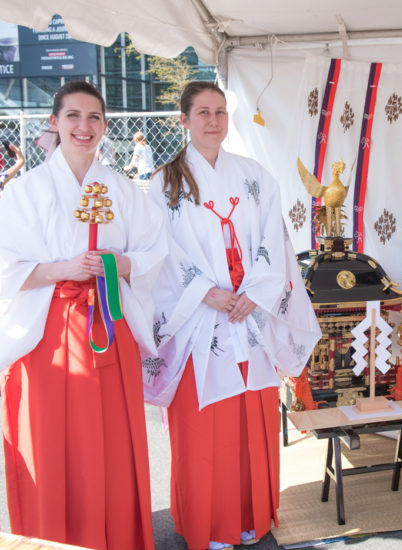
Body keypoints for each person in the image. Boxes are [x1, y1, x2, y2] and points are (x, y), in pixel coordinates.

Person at [143, 81, 320, 550]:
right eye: (202, 112)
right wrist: (205, 292)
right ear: (183, 120)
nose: (213, 121)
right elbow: (161, 252)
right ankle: (210, 523)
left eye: (220, 111)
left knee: (252, 420)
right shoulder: (163, 184)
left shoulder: (256, 176)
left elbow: (274, 240)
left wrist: (255, 293)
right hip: (198, 317)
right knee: (206, 429)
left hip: (249, 312)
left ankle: (251, 515)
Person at [0, 80, 166, 549]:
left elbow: (155, 250)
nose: (83, 126)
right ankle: (53, 539)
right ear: (54, 124)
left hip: (109, 321)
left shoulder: (123, 190)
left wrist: (117, 262)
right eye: (73, 116)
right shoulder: (24, 191)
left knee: (109, 443)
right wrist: (65, 268)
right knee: (52, 442)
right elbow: (5, 267)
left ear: (105, 127)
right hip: (48, 329)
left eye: (94, 118)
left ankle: (116, 537)